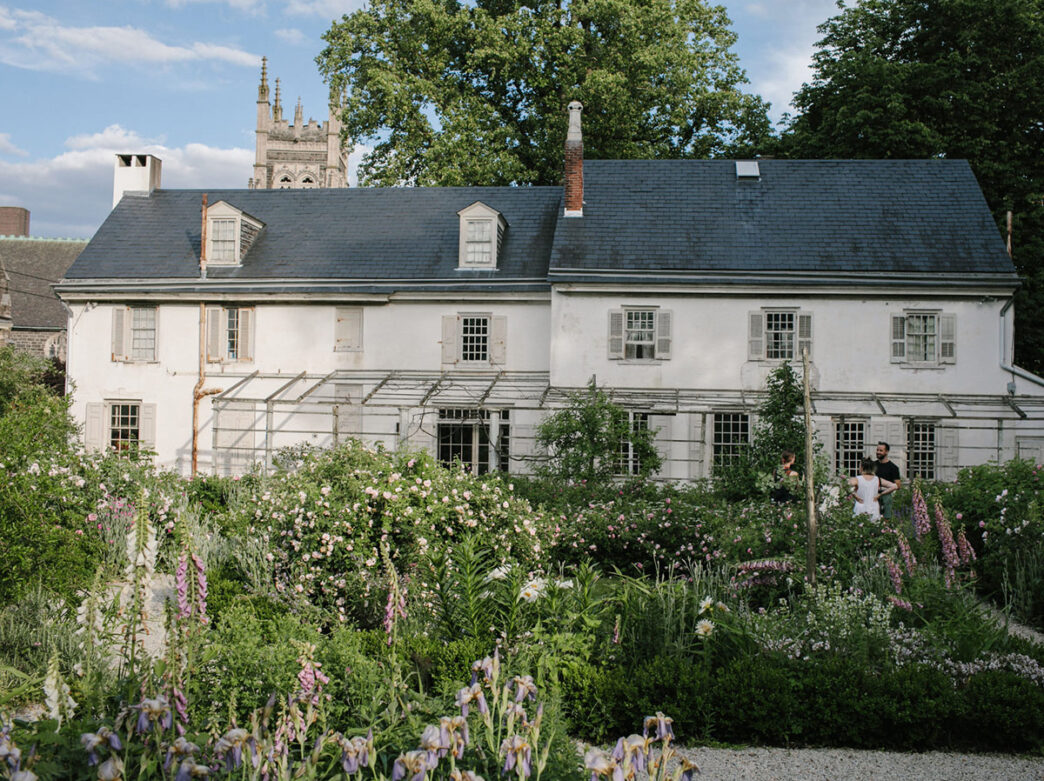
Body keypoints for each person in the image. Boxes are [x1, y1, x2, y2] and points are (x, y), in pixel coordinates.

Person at [874, 441, 902, 519]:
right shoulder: (873, 466)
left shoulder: (893, 468)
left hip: (886, 494)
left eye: (881, 450)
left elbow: (898, 485)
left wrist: (885, 487)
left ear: (886, 452)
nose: (878, 452)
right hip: (873, 494)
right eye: (877, 450)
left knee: (886, 518)